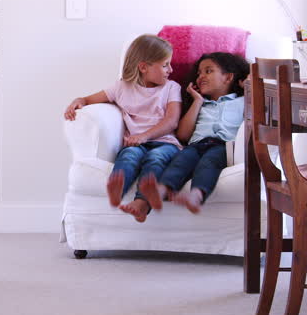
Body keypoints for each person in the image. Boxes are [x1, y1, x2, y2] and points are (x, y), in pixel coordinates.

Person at [63, 34, 182, 222]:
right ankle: (116, 192)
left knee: (155, 159)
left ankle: (142, 202)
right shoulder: (121, 87)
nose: (171, 69)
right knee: (128, 156)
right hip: (135, 144)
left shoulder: (171, 87)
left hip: (164, 143)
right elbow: (88, 99)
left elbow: (171, 121)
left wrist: (144, 136)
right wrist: (78, 101)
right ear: (143, 67)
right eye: (165, 64)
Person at [145, 52, 250, 214]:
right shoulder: (201, 104)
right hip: (196, 145)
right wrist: (197, 101)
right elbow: (183, 136)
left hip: (223, 146)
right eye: (199, 73)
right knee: (181, 160)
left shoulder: (242, 101)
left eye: (208, 71)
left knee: (209, 163)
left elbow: (260, 113)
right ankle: (162, 189)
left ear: (228, 77)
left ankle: (196, 195)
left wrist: (250, 90)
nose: (201, 76)